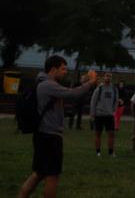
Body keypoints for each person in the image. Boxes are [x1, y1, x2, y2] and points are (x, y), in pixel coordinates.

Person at [17, 55, 96, 198]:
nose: (65, 71)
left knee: (39, 173)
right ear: (53, 69)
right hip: (50, 137)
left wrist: (82, 81)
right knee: (52, 176)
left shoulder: (44, 83)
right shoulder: (48, 85)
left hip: (42, 136)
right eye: (63, 69)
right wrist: (91, 82)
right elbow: (72, 94)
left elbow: (66, 90)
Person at [89, 72, 119, 157]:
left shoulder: (114, 89)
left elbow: (116, 101)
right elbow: (93, 102)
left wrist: (113, 110)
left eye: (110, 76)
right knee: (98, 133)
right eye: (107, 76)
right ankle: (98, 152)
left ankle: (111, 152)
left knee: (111, 134)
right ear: (103, 77)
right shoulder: (99, 88)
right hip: (99, 115)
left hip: (109, 115)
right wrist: (92, 114)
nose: (108, 78)